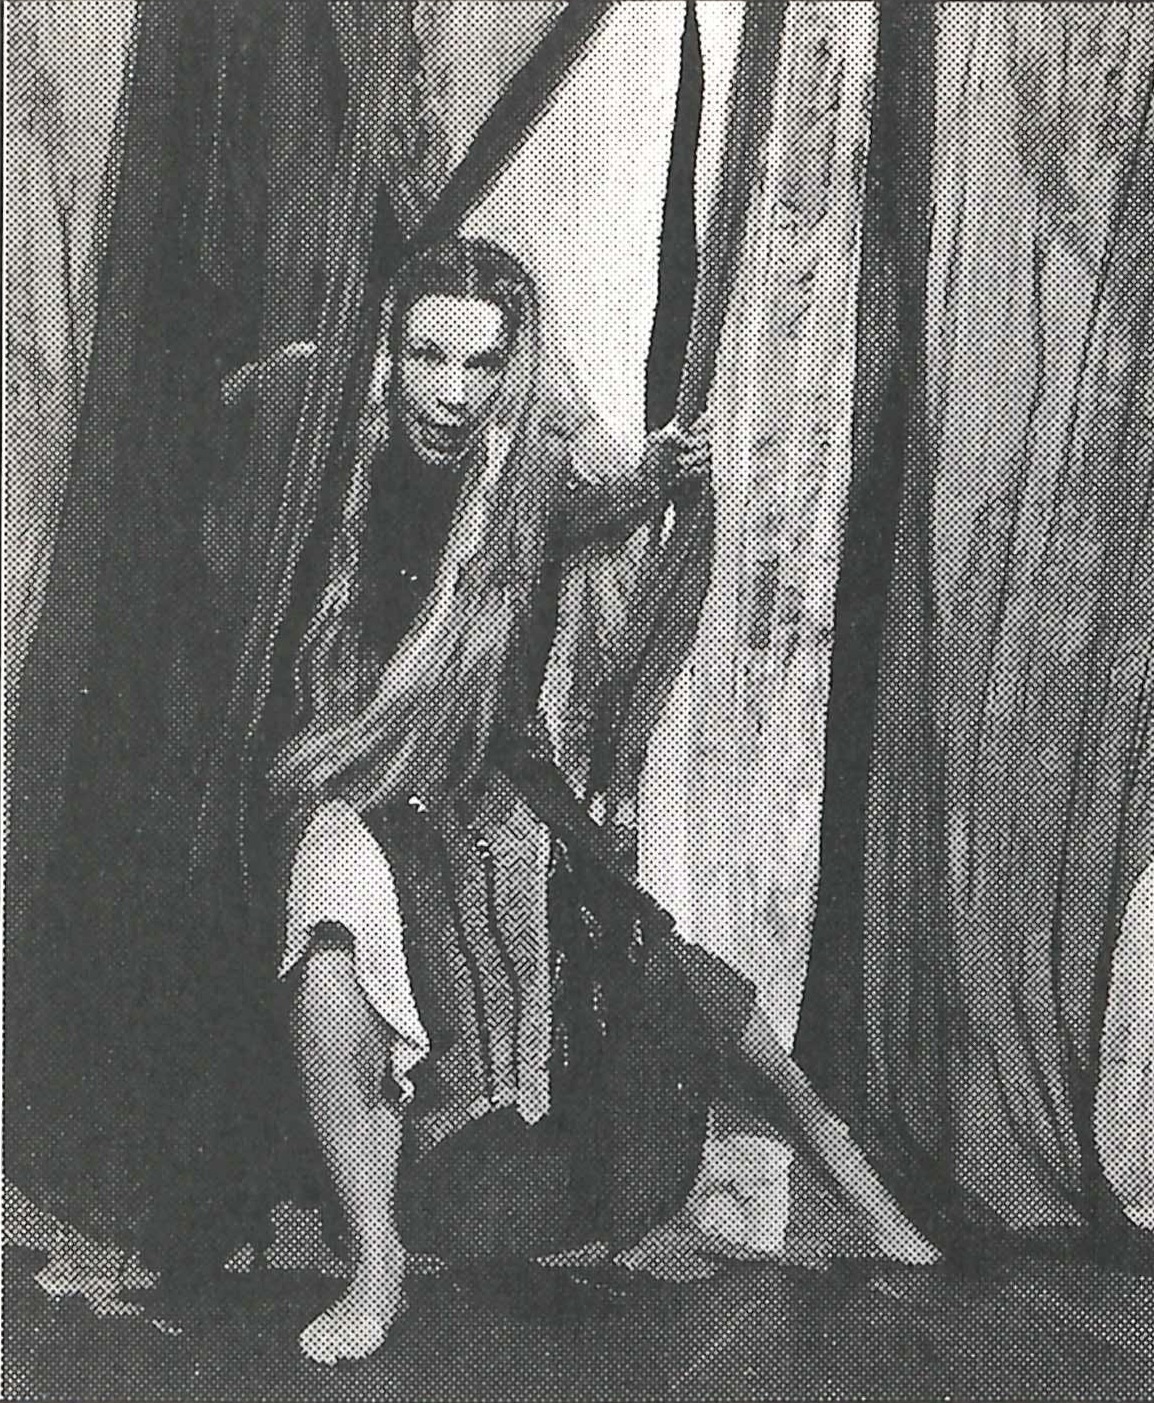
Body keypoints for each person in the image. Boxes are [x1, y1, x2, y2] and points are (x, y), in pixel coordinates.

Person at [265, 236, 939, 1366]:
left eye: (482, 364)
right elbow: (277, 391)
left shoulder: (524, 479)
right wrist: (270, 373)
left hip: (493, 787)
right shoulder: (337, 450)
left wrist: (657, 473)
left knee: (660, 967)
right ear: (388, 355)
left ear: (514, 368)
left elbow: (595, 504)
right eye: (428, 356)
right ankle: (376, 1262)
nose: (451, 391)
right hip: (356, 779)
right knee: (331, 934)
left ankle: (846, 1168)